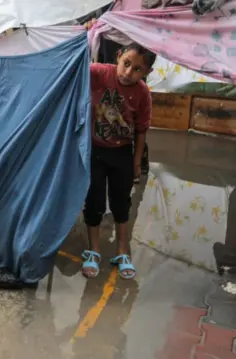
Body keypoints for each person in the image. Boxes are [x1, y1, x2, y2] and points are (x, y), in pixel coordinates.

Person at [81, 20, 155, 280]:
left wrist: (136, 163)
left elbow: (141, 130)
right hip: (94, 153)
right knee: (94, 202)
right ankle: (94, 251)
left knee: (121, 203)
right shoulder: (99, 73)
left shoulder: (143, 93)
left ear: (146, 72)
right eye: (127, 64)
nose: (128, 72)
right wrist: (85, 33)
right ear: (118, 56)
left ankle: (123, 251)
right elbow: (74, 64)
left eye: (137, 70)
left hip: (122, 154)